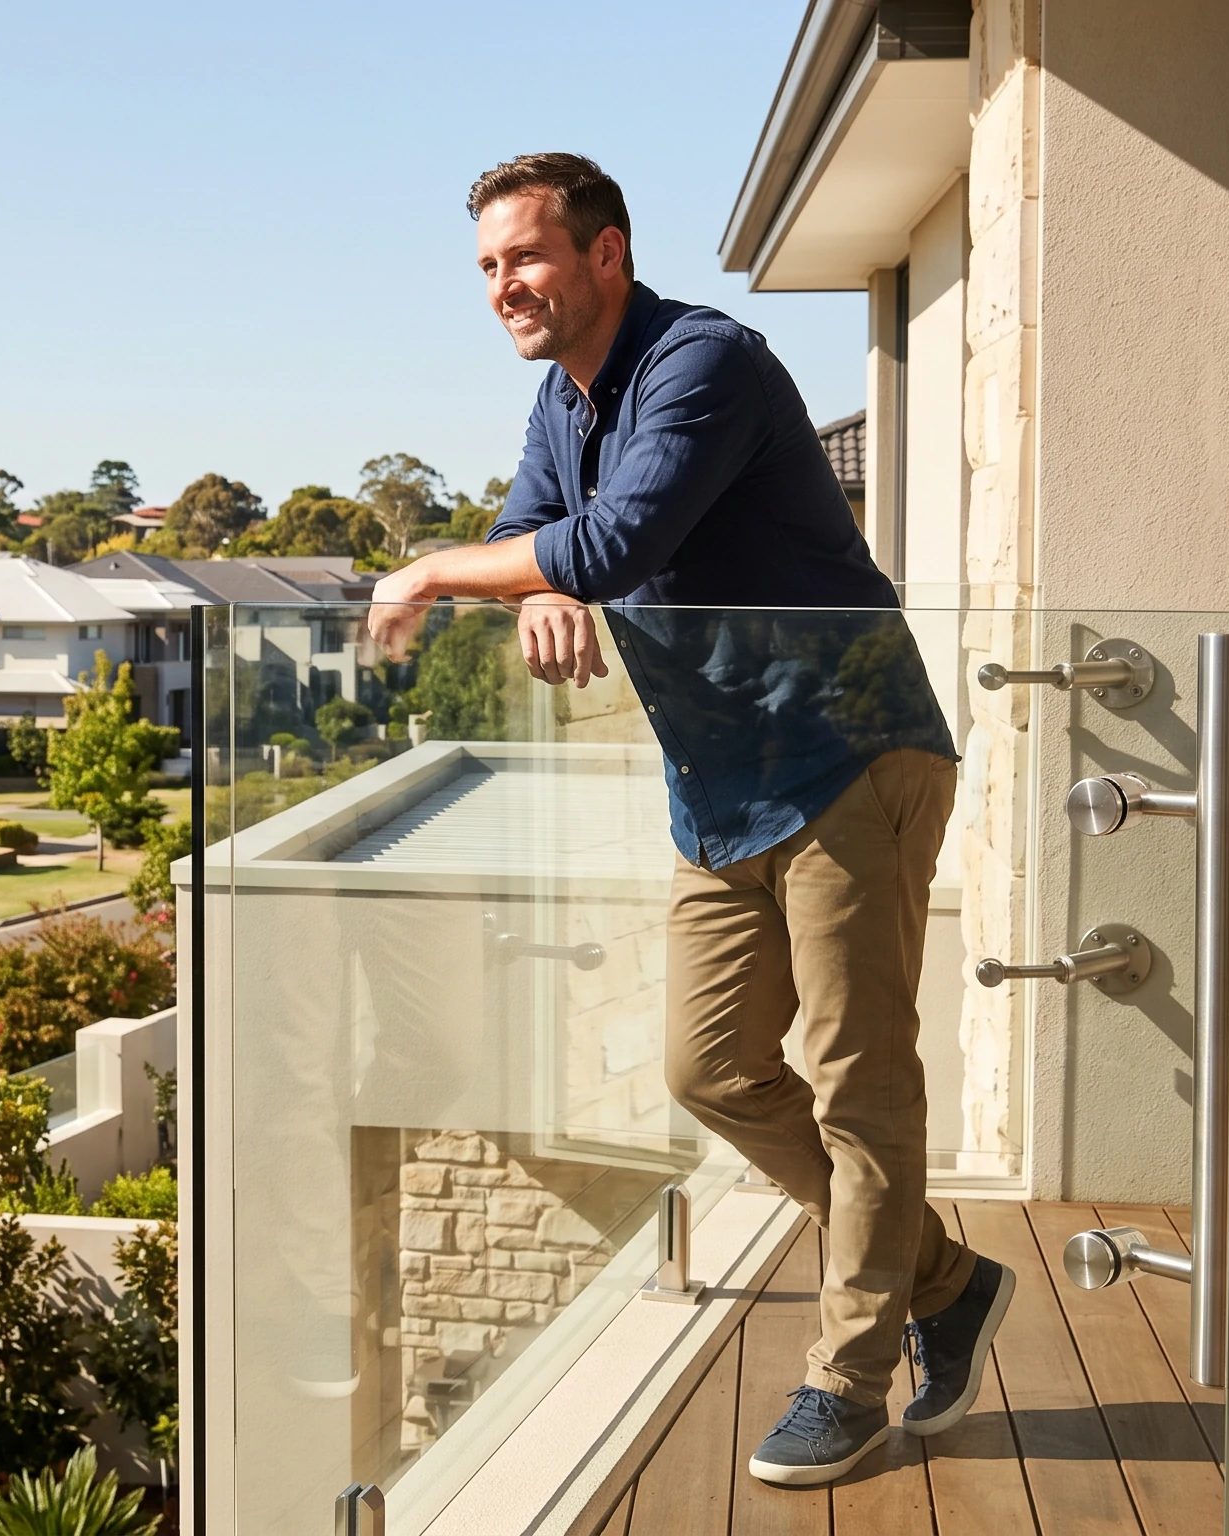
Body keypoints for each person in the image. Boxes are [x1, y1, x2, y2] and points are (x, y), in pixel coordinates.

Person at [365, 152, 1014, 1487]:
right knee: (707, 1068)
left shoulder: (699, 364)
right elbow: (540, 531)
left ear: (607, 255)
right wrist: (527, 577)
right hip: (719, 785)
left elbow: (607, 543)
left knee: (856, 1083)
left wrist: (449, 568)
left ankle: (853, 1374)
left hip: (848, 754)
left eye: (527, 257)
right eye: (488, 267)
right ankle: (942, 1281)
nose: (505, 287)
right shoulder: (566, 398)